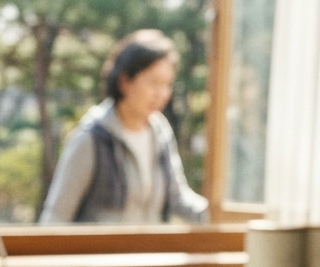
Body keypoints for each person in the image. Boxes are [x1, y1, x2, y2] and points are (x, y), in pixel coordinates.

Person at [39, 30, 208, 225]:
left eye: (167, 84)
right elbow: (57, 217)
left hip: (152, 255)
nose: (162, 93)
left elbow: (177, 197)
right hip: (98, 255)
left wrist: (215, 213)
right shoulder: (91, 139)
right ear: (124, 82)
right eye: (154, 83)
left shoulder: (160, 131)